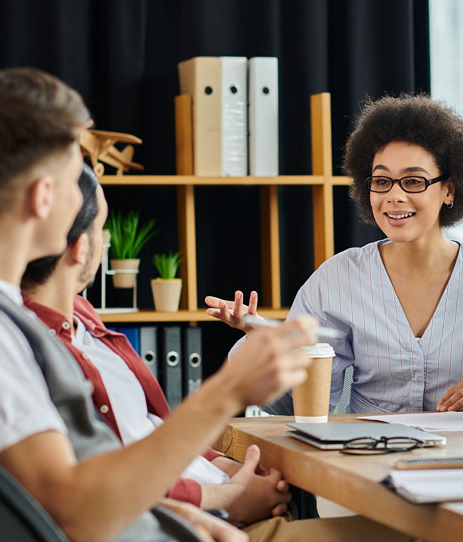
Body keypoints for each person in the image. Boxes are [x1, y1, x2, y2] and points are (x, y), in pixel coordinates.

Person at [0, 68, 403, 541]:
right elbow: (75, 512)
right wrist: (229, 391)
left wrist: (185, 515)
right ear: (44, 196)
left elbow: (55, 500)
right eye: (77, 177)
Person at [208, 95, 463, 414]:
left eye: (413, 181)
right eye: (381, 181)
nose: (394, 196)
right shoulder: (338, 278)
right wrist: (266, 348)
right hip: (367, 454)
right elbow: (297, 405)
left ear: (449, 190)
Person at [20, 164, 291, 524]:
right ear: (81, 248)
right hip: (190, 523)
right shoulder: (39, 352)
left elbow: (151, 428)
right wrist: (229, 498)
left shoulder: (81, 314)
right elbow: (111, 481)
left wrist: (234, 470)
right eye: (101, 228)